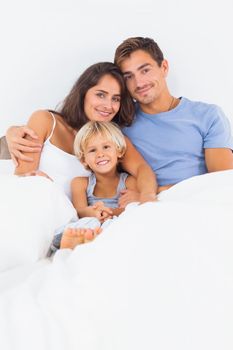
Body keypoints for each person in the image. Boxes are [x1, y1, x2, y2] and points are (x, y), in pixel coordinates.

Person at [7, 37, 233, 193]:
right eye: (129, 76)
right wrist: (10, 133)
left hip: (188, 200)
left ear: (164, 67)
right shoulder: (118, 124)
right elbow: (22, 165)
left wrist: (148, 195)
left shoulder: (207, 116)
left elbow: (223, 183)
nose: (140, 83)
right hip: (47, 201)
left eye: (145, 70)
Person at [10, 62, 157, 206]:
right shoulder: (45, 121)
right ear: (83, 93)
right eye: (100, 95)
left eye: (116, 99)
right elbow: (23, 179)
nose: (108, 106)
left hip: (78, 223)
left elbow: (142, 169)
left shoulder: (114, 140)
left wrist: (145, 196)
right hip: (37, 205)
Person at [50, 120, 138, 253]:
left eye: (106, 147)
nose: (100, 154)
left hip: (114, 226)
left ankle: (93, 242)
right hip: (89, 224)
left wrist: (109, 212)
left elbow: (132, 209)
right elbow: (79, 211)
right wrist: (92, 212)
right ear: (84, 159)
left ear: (119, 151)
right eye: (92, 150)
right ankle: (71, 242)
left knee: (116, 224)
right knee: (89, 223)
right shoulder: (80, 183)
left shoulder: (129, 182)